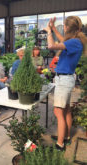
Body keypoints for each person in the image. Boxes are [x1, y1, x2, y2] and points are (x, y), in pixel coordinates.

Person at [44, 16, 87, 151]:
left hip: (64, 81)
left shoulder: (74, 42)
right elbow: (62, 40)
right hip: (67, 79)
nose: (63, 28)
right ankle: (66, 137)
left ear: (67, 28)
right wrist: (54, 27)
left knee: (58, 111)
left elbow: (51, 46)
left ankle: (60, 145)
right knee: (66, 110)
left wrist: (48, 32)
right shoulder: (76, 41)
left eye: (64, 26)